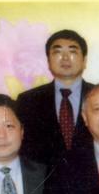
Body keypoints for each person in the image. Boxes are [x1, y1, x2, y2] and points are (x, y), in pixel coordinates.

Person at [18, 29, 91, 166]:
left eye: (72, 51)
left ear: (84, 60)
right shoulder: (27, 101)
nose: (65, 58)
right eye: (57, 52)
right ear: (48, 61)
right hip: (44, 178)